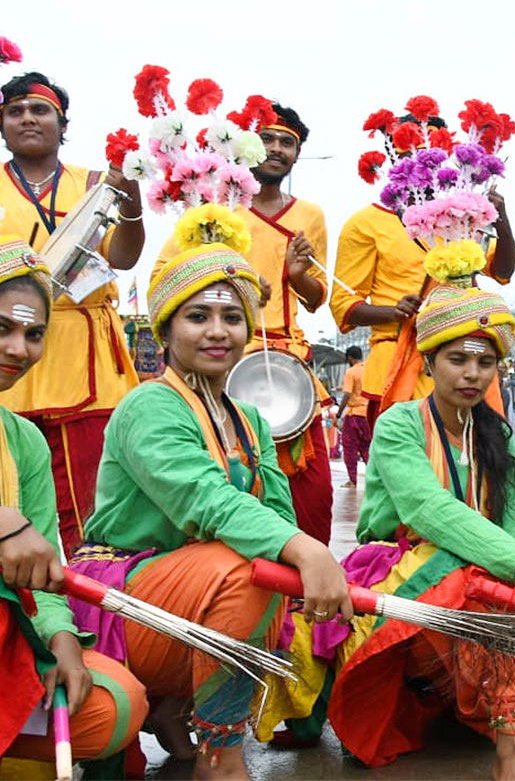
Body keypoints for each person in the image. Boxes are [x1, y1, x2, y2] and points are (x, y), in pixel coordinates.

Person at [70, 218, 352, 779]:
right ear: (167, 330)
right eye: (198, 317)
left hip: (189, 598)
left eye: (231, 317)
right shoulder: (148, 406)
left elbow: (275, 515)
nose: (217, 331)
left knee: (274, 569)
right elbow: (204, 500)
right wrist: (306, 550)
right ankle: (220, 755)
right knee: (250, 571)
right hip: (120, 598)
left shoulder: (248, 417)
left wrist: (304, 555)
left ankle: (180, 707)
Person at [268, 285, 515, 777]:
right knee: (460, 574)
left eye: (485, 362)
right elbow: (426, 509)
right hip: (401, 566)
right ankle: (510, 752)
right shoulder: (398, 424)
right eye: (457, 359)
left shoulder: (500, 439)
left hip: (481, 577)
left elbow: (506, 529)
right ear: (428, 361)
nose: (472, 374)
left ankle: (473, 707)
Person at [154, 99, 334, 545]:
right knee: (223, 469)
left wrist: (296, 276)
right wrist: (235, 286)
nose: (276, 149)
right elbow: (162, 278)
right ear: (247, 145)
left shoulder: (309, 214)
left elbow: (317, 297)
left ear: (297, 154)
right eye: (267, 139)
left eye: (287, 143)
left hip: (284, 363)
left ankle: (304, 589)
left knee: (312, 490)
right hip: (216, 353)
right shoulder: (212, 205)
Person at [0, 236, 148, 773]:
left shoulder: (23, 442)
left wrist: (61, 640)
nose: (19, 349)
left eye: (34, 334)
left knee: (113, 704)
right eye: (3, 328)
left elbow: (44, 577)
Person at [0, 71, 144, 556]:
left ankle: (87, 618)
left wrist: (133, 201)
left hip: (86, 362)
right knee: (13, 497)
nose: (27, 119)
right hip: (9, 353)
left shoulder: (97, 183)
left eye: (40, 110)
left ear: (63, 124)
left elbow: (122, 259)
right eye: (15, 111)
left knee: (86, 510)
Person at [331, 112, 515, 428]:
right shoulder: (365, 223)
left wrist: (499, 216)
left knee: (477, 465)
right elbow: (345, 308)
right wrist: (395, 312)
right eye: (408, 155)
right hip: (396, 363)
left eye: (430, 157)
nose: (421, 166)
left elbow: (503, 270)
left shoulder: (460, 216)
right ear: (394, 158)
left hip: (463, 359)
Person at [335, 345, 369, 488]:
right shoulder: (369, 370)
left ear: (349, 357)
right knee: (368, 448)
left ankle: (353, 480)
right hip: (368, 415)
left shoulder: (351, 372)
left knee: (350, 449)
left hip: (354, 415)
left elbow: (347, 393)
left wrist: (338, 414)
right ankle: (376, 479)